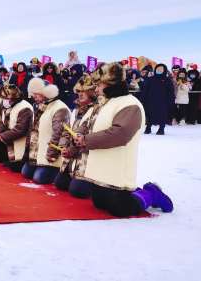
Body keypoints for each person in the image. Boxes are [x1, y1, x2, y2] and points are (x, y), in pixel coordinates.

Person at [72, 62, 173, 217]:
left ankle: (151, 194)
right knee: (99, 203)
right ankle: (137, 193)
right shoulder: (105, 103)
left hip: (117, 169)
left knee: (120, 209)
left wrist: (86, 140)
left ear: (109, 83)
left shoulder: (129, 104)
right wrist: (79, 136)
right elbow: (88, 124)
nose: (96, 89)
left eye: (99, 85)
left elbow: (120, 134)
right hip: (100, 169)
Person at [54, 73, 98, 198]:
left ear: (92, 92)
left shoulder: (95, 110)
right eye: (78, 91)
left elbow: (86, 135)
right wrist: (63, 146)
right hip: (71, 155)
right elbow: (66, 131)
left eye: (84, 91)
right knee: (60, 184)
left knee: (77, 191)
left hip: (84, 155)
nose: (80, 94)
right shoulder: (75, 110)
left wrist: (71, 150)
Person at [21, 78, 70, 184]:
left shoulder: (60, 108)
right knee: (26, 173)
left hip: (50, 154)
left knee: (39, 178)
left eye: (36, 94)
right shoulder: (41, 106)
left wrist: (51, 155)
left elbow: (59, 133)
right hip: (37, 152)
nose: (33, 97)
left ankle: (56, 171)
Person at [0, 84, 34, 169]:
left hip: (21, 141)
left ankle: (18, 162)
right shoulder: (6, 106)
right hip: (10, 137)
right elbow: (2, 122)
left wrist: (1, 137)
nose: (4, 101)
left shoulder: (24, 108)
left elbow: (20, 130)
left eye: (6, 98)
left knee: (15, 167)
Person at [141, 63, 175, 135]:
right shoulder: (150, 79)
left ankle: (161, 128)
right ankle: (148, 128)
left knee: (162, 115)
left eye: (161, 69)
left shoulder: (167, 80)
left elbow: (171, 92)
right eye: (158, 69)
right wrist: (143, 99)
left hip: (163, 102)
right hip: (150, 101)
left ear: (164, 70)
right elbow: (145, 90)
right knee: (149, 114)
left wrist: (171, 100)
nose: (159, 70)